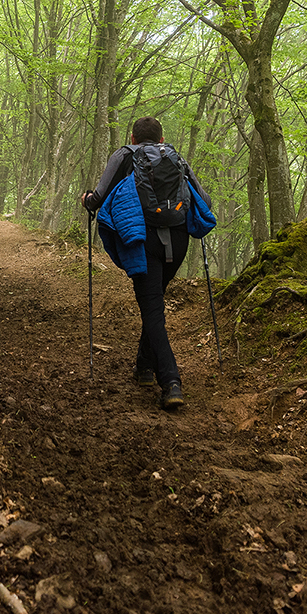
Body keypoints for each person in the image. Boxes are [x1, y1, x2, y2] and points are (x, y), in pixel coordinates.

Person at [80, 116, 189, 411]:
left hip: (143, 238)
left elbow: (98, 198)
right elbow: (199, 197)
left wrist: (87, 199)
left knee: (152, 308)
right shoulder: (176, 157)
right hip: (179, 241)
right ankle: (143, 367)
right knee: (153, 303)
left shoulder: (125, 154)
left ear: (133, 137)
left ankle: (171, 382)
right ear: (162, 140)